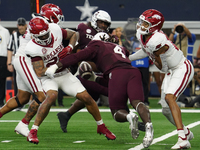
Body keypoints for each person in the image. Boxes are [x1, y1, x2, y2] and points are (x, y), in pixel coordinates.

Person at [45, 32, 154, 148]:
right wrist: (96, 78)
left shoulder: (96, 45)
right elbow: (112, 78)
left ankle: (129, 116)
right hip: (133, 72)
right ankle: (148, 126)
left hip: (116, 74)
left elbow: (76, 57)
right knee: (138, 103)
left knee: (117, 112)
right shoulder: (120, 48)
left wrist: (56, 66)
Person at [25, 17, 116, 144]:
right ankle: (33, 131)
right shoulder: (32, 47)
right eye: (42, 36)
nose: (46, 38)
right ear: (34, 36)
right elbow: (39, 71)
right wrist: (52, 68)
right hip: (49, 77)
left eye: (47, 34)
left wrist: (69, 47)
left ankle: (101, 126)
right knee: (51, 96)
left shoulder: (54, 29)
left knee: (87, 97)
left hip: (64, 74)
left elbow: (74, 34)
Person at [128, 9, 194, 149]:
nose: (141, 26)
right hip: (171, 70)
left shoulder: (158, 39)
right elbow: (146, 50)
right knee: (165, 109)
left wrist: (155, 56)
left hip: (181, 67)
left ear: (154, 26)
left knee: (170, 98)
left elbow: (162, 67)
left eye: (145, 24)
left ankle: (182, 139)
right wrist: (129, 58)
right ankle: (186, 132)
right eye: (141, 22)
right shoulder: (143, 36)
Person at [0, 3, 66, 138]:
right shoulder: (42, 25)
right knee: (43, 96)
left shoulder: (41, 22)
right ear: (51, 15)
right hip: (26, 60)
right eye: (56, 16)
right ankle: (23, 124)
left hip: (24, 60)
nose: (58, 19)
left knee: (22, 98)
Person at [7, 17, 27, 110]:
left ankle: (35, 101)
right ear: (17, 25)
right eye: (20, 25)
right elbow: (10, 50)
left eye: (23, 25)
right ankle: (18, 102)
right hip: (17, 60)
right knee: (17, 82)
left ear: (26, 25)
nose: (21, 27)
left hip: (28, 61)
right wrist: (9, 63)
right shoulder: (13, 36)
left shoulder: (29, 35)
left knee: (31, 82)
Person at [0, 23, 12, 107]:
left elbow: (9, 47)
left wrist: (8, 61)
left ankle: (0, 101)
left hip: (2, 58)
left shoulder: (5, 31)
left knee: (1, 81)